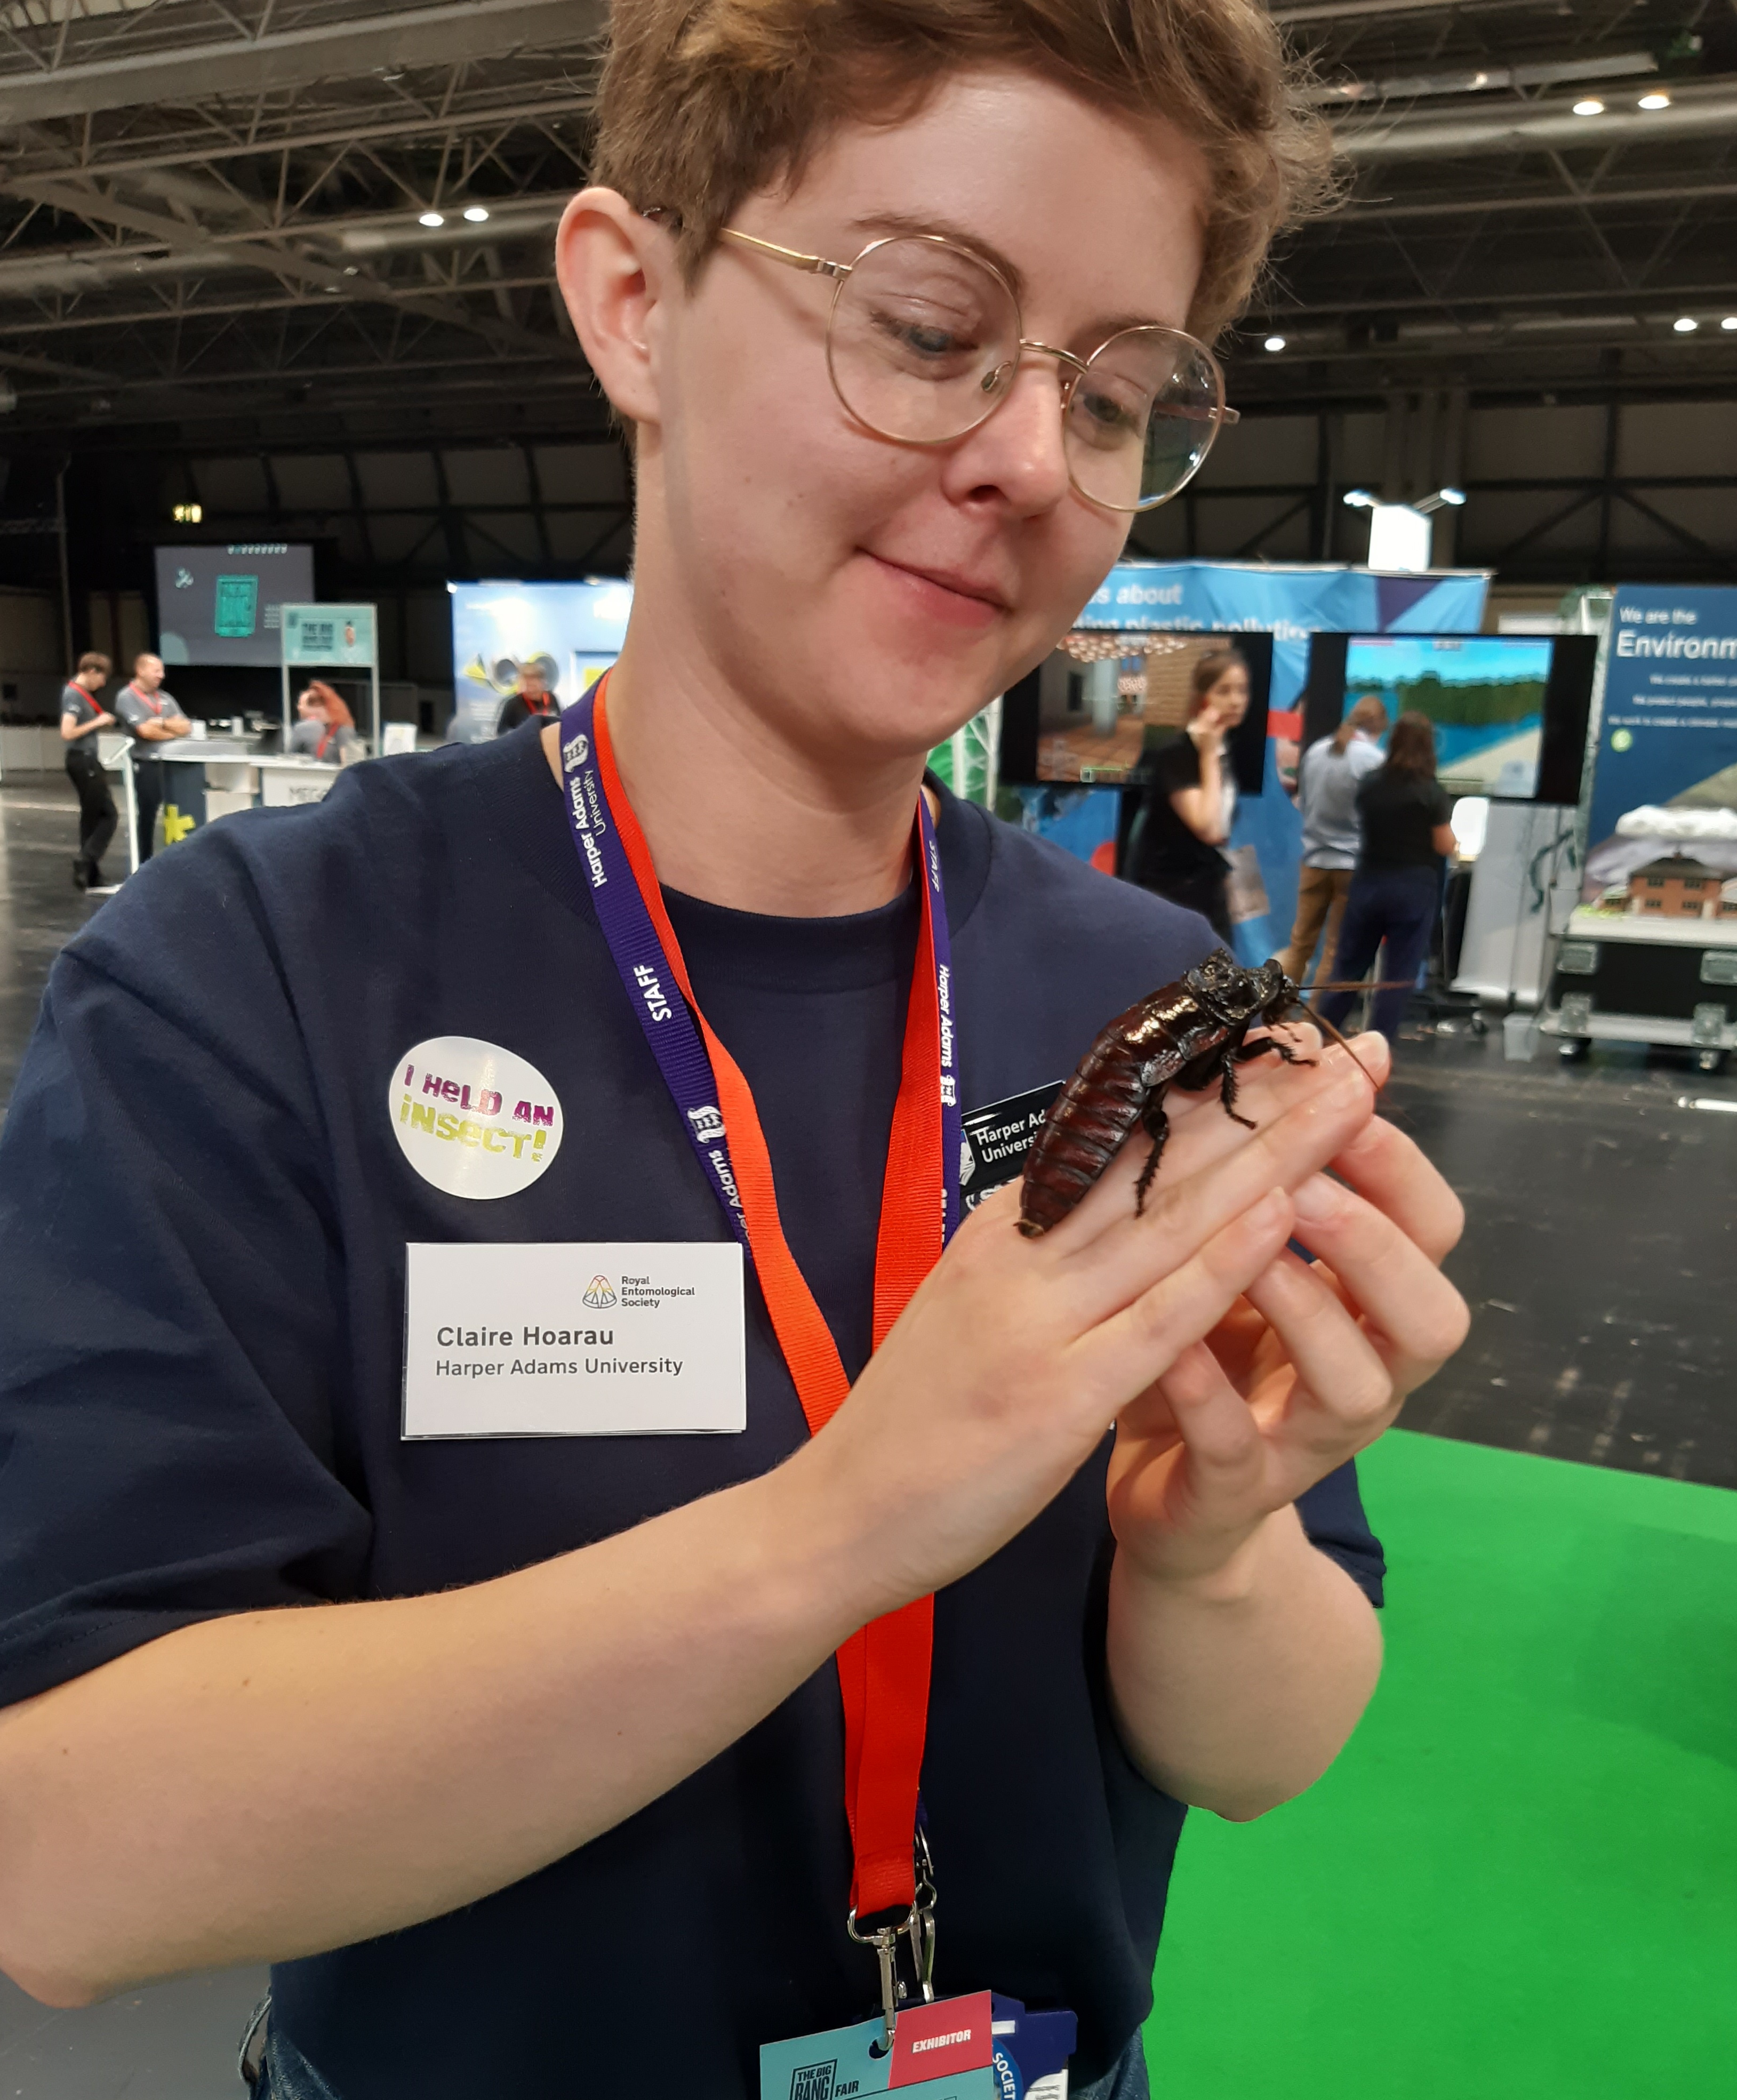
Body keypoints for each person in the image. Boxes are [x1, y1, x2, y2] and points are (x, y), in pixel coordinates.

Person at [0, 9, 1470, 2099]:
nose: (1029, 461)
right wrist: (849, 1517)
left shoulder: (1137, 980)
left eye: (1118, 391)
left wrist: (1214, 1538)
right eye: (928, 321)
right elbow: (65, 1860)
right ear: (630, 301)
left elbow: (1271, 1740)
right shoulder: (251, 975)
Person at [1315, 711, 1459, 1047]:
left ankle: (1319, 1039)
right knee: (1396, 978)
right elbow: (1443, 844)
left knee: (1347, 971)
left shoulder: (1369, 784)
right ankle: (1375, 1049)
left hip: (1368, 884)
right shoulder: (1432, 792)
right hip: (1412, 888)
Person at [1128, 647, 1249, 943]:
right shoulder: (1176, 755)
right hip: (1173, 897)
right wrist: (1208, 754)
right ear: (1204, 698)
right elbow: (1208, 827)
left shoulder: (1223, 748)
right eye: (1224, 691)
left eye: (1242, 691)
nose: (1236, 701)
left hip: (1208, 889)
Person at [1277, 693, 1388, 988]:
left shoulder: (1316, 751)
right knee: (1335, 951)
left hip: (1313, 861)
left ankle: (1276, 1015)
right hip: (1352, 868)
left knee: (1299, 945)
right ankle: (1316, 1025)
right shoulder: (1376, 761)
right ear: (1380, 727)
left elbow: (1304, 802)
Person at [111, 651, 193, 864]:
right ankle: (143, 861)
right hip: (145, 763)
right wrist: (170, 730)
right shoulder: (127, 697)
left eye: (162, 671)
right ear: (141, 670)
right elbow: (145, 732)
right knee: (147, 815)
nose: (161, 675)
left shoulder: (165, 699)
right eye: (156, 670)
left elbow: (186, 727)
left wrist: (163, 724)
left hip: (170, 763)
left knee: (177, 810)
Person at [59, 651, 120, 893]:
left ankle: (90, 874)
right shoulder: (74, 695)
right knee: (109, 815)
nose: (103, 684)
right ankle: (85, 859)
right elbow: (67, 732)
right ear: (91, 672)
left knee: (91, 817)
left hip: (85, 760)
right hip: (83, 761)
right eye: (102, 677)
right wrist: (98, 722)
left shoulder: (79, 695)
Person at [289, 681, 362, 765]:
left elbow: (351, 765)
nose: (299, 708)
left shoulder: (343, 731)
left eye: (302, 704)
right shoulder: (308, 728)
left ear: (318, 707)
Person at [493, 660, 556, 735]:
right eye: (525, 677)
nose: (528, 682)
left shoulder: (551, 699)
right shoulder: (512, 705)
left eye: (532, 677)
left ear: (542, 681)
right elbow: (501, 734)